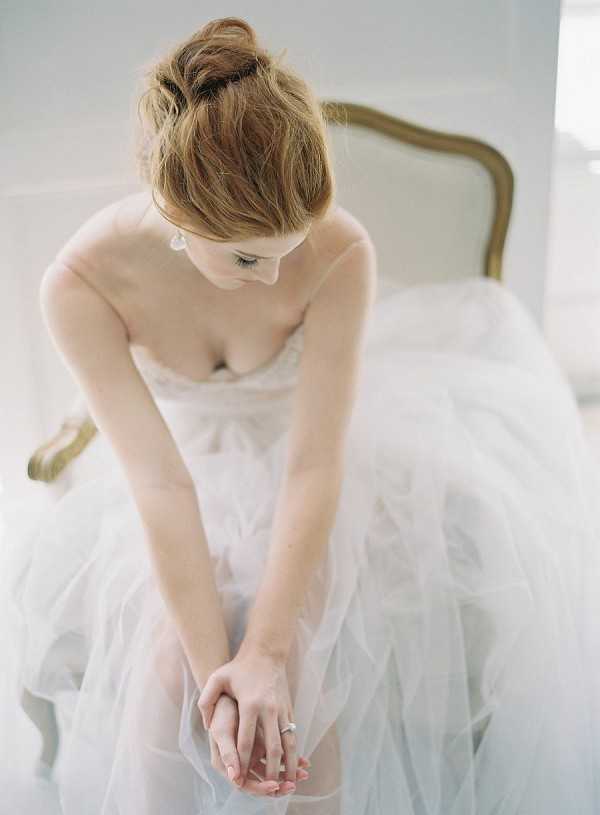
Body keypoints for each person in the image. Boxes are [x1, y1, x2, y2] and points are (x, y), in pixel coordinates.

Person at [2, 14, 600, 815]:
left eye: (293, 244)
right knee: (166, 670)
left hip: (316, 457)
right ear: (180, 219)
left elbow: (316, 465)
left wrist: (267, 653)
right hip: (171, 473)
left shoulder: (342, 252)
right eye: (251, 257)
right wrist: (223, 670)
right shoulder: (80, 282)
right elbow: (161, 486)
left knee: (308, 673)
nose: (279, 272)